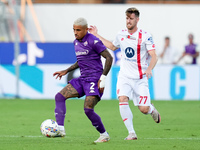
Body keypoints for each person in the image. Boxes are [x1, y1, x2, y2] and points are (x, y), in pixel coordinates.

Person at [89, 7, 161, 140]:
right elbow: (112, 46)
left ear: (137, 20)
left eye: (131, 19)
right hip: (125, 77)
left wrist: (149, 68)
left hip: (140, 78)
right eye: (127, 18)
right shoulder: (121, 34)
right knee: (122, 99)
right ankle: (131, 133)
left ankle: (151, 109)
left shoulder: (145, 36)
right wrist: (96, 34)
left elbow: (154, 55)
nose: (128, 21)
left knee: (143, 109)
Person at [53, 17, 113, 143]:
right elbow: (81, 60)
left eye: (78, 30)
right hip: (83, 79)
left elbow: (109, 57)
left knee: (88, 109)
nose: (75, 32)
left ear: (86, 30)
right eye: (74, 30)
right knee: (59, 96)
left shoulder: (93, 40)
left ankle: (104, 134)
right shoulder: (76, 42)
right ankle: (60, 129)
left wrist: (103, 77)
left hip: (95, 80)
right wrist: (66, 71)